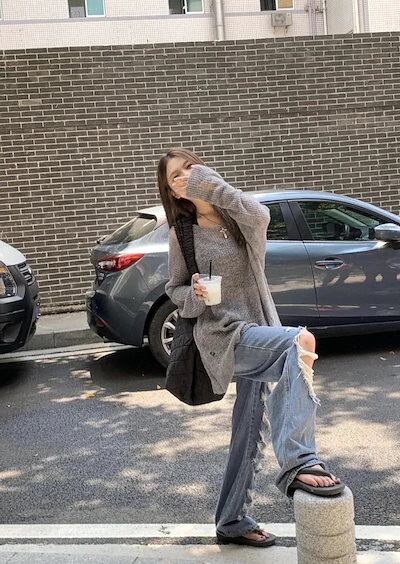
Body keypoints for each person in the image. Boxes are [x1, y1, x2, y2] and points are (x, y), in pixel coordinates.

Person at [157, 147, 345, 548]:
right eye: (176, 176)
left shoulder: (238, 216)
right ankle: (299, 461)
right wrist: (193, 294)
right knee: (300, 342)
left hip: (259, 328)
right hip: (222, 334)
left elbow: (261, 215)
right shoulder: (182, 234)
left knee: (248, 430)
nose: (186, 176)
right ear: (172, 192)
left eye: (191, 167)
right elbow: (175, 289)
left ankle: (231, 520)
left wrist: (209, 186)